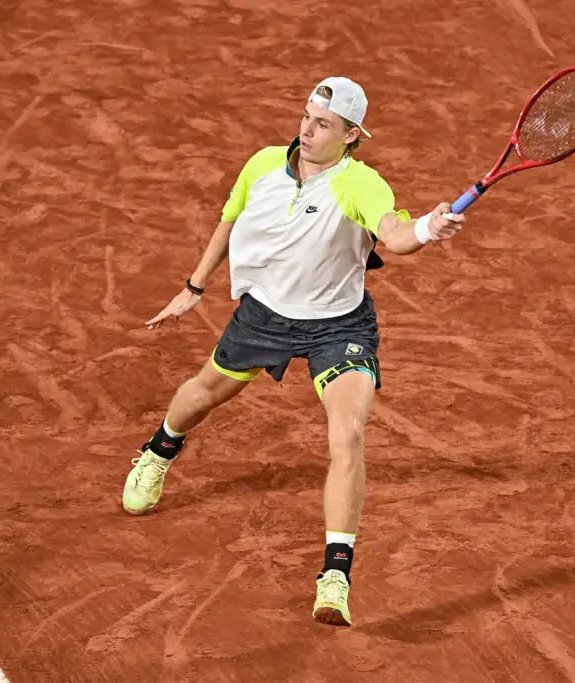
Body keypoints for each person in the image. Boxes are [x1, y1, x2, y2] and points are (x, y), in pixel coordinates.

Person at [122, 76, 464, 627]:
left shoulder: (359, 183)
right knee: (201, 395)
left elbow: (395, 234)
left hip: (338, 326)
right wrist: (194, 287)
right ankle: (159, 451)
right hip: (265, 318)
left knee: (347, 434)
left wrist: (428, 227)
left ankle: (335, 576)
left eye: (323, 124)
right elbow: (228, 222)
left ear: (351, 135)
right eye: (307, 116)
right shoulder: (262, 165)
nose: (307, 129)